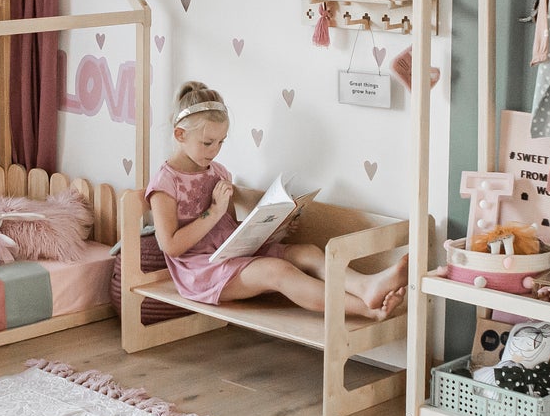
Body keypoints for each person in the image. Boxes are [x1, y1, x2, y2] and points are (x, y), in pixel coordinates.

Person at [147, 81, 407, 320]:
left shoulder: (218, 172)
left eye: (221, 142)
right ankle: (367, 310)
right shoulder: (166, 182)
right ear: (180, 135)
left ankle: (366, 286)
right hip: (200, 272)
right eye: (207, 143)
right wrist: (214, 212)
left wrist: (274, 228)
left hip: (231, 256)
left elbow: (230, 229)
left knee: (307, 252)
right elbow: (170, 245)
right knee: (278, 271)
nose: (214, 151)